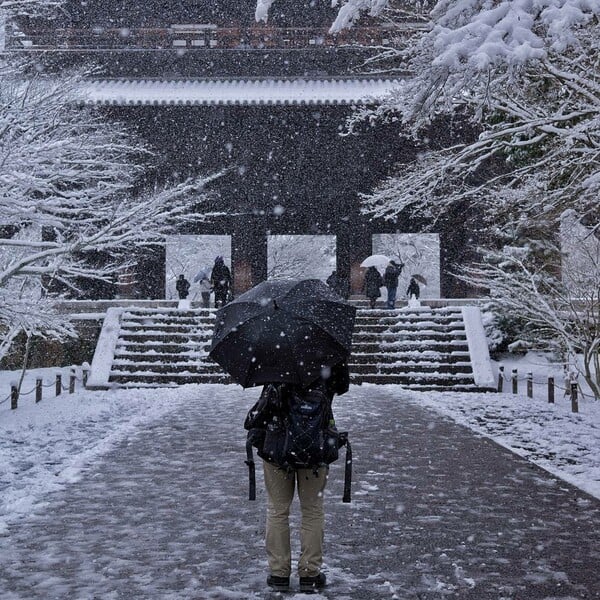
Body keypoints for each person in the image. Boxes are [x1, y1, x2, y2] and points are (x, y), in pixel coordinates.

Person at [251, 362, 350, 594]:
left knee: (277, 509)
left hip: (278, 445)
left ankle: (279, 573)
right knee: (312, 510)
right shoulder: (327, 354)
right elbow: (342, 386)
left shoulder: (276, 354)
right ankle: (309, 573)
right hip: (315, 445)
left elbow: (267, 402)